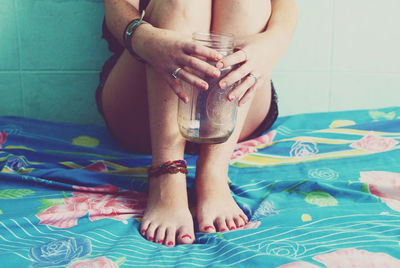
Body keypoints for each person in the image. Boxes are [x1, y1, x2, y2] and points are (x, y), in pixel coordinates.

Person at [97, 0, 298, 247]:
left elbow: (285, 5)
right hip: (145, 112)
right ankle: (166, 173)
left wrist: (274, 43)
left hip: (236, 116)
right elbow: (116, 5)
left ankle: (214, 173)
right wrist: (145, 38)